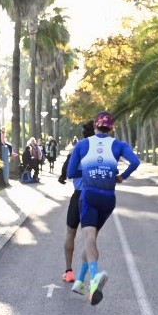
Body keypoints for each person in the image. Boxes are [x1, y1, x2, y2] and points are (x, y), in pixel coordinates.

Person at [65, 111, 141, 305]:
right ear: (111, 128)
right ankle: (80, 281)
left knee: (89, 238)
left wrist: (88, 169)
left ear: (95, 126)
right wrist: (121, 176)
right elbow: (135, 161)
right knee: (92, 239)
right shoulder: (119, 145)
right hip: (108, 198)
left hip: (89, 195)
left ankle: (94, 277)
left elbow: (71, 172)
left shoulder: (82, 145)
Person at [58, 121, 95, 284]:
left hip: (77, 195)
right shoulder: (100, 152)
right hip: (93, 196)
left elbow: (66, 173)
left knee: (70, 233)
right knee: (90, 237)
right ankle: (88, 275)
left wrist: (62, 176)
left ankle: (68, 271)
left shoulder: (76, 150)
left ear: (83, 134)